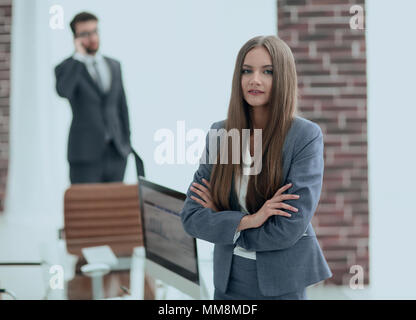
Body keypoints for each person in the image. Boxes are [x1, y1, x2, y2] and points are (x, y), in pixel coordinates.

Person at [180, 35, 332, 300]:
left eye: (267, 71)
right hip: (228, 280)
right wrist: (249, 220)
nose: (255, 80)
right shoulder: (222, 133)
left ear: (283, 77)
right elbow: (191, 217)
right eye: (247, 71)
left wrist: (228, 226)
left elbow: (289, 228)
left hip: (281, 281)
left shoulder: (304, 136)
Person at [55, 12, 131, 183]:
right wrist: (79, 57)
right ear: (76, 37)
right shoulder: (67, 67)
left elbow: (122, 107)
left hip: (116, 154)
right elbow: (63, 91)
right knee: (86, 207)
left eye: (95, 31)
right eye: (85, 34)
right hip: (85, 155)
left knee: (114, 207)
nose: (92, 37)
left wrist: (126, 144)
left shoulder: (114, 65)